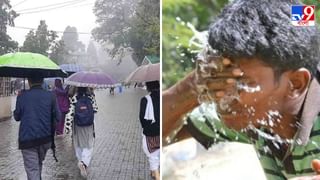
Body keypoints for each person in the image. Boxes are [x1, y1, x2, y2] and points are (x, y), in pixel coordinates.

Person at [163, 0, 320, 179]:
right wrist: (193, 86)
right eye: (219, 78)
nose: (224, 96)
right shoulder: (253, 114)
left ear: (296, 84)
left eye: (241, 83)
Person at [14, 77, 59, 180]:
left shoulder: (22, 96)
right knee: (38, 164)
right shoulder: (51, 96)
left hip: (27, 139)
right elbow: (58, 117)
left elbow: (17, 117)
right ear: (42, 81)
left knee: (32, 169)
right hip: (45, 139)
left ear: (29, 81)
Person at [65, 87, 98, 178]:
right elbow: (95, 109)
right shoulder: (90, 97)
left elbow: (70, 113)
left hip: (78, 126)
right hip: (88, 126)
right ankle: (84, 163)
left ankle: (80, 161)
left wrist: (67, 128)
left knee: (78, 144)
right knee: (89, 145)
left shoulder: (75, 97)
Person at [139, 81, 160, 180]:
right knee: (158, 153)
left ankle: (157, 176)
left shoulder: (145, 100)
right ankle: (153, 173)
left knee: (152, 155)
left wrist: (146, 128)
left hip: (151, 132)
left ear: (148, 87)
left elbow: (142, 118)